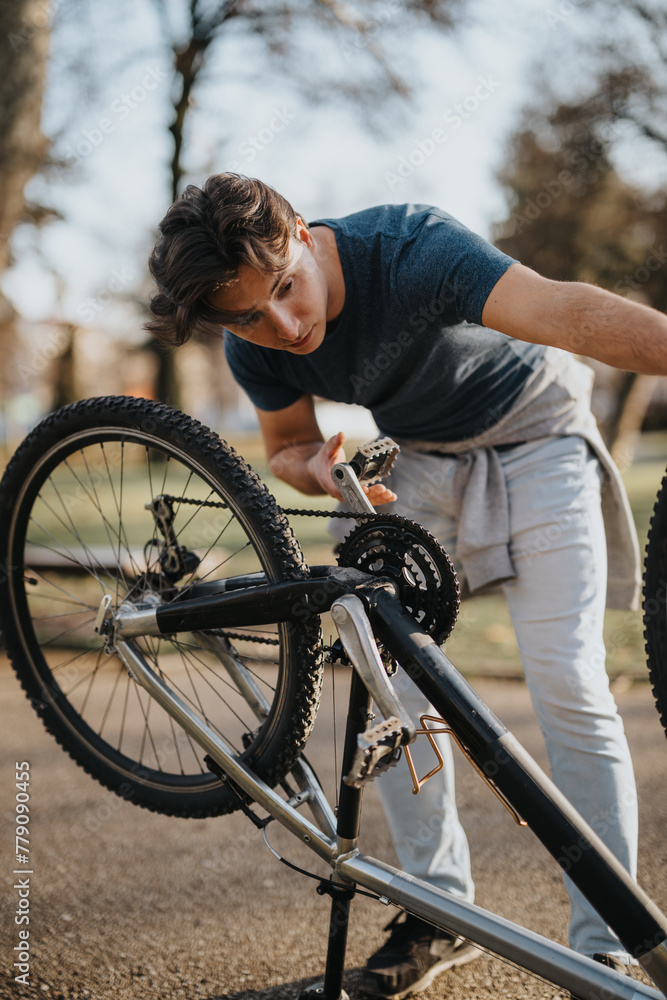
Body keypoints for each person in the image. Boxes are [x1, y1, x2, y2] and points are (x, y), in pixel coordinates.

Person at [146, 172, 666, 998]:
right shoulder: (252, 337)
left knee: (566, 679)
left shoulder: (413, 250)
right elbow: (283, 444)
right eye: (248, 316)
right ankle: (437, 910)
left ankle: (605, 943)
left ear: (305, 236)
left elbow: (568, 314)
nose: (283, 326)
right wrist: (311, 468)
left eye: (286, 288)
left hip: (536, 431)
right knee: (384, 681)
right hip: (416, 457)